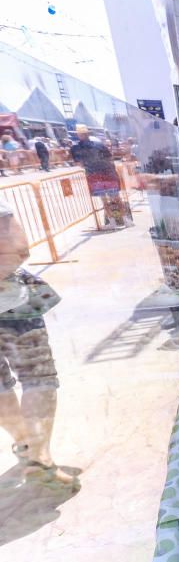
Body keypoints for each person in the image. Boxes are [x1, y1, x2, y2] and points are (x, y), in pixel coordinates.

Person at [0, 199, 76, 489]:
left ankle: (24, 445)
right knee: (37, 378)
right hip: (10, 304)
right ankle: (39, 456)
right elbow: (17, 246)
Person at [70, 125, 133, 229]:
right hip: (109, 173)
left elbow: (79, 164)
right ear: (88, 133)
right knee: (116, 198)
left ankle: (112, 223)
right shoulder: (99, 144)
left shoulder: (75, 148)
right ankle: (126, 221)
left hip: (94, 176)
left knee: (104, 200)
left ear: (78, 135)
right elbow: (110, 158)